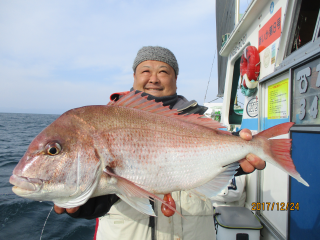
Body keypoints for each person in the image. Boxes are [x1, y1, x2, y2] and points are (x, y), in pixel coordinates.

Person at [54, 46, 266, 240]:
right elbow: (109, 193)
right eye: (145, 71)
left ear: (175, 79)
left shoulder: (201, 123)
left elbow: (209, 164)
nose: (154, 78)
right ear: (134, 77)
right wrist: (88, 201)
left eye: (163, 71)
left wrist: (235, 162)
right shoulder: (107, 121)